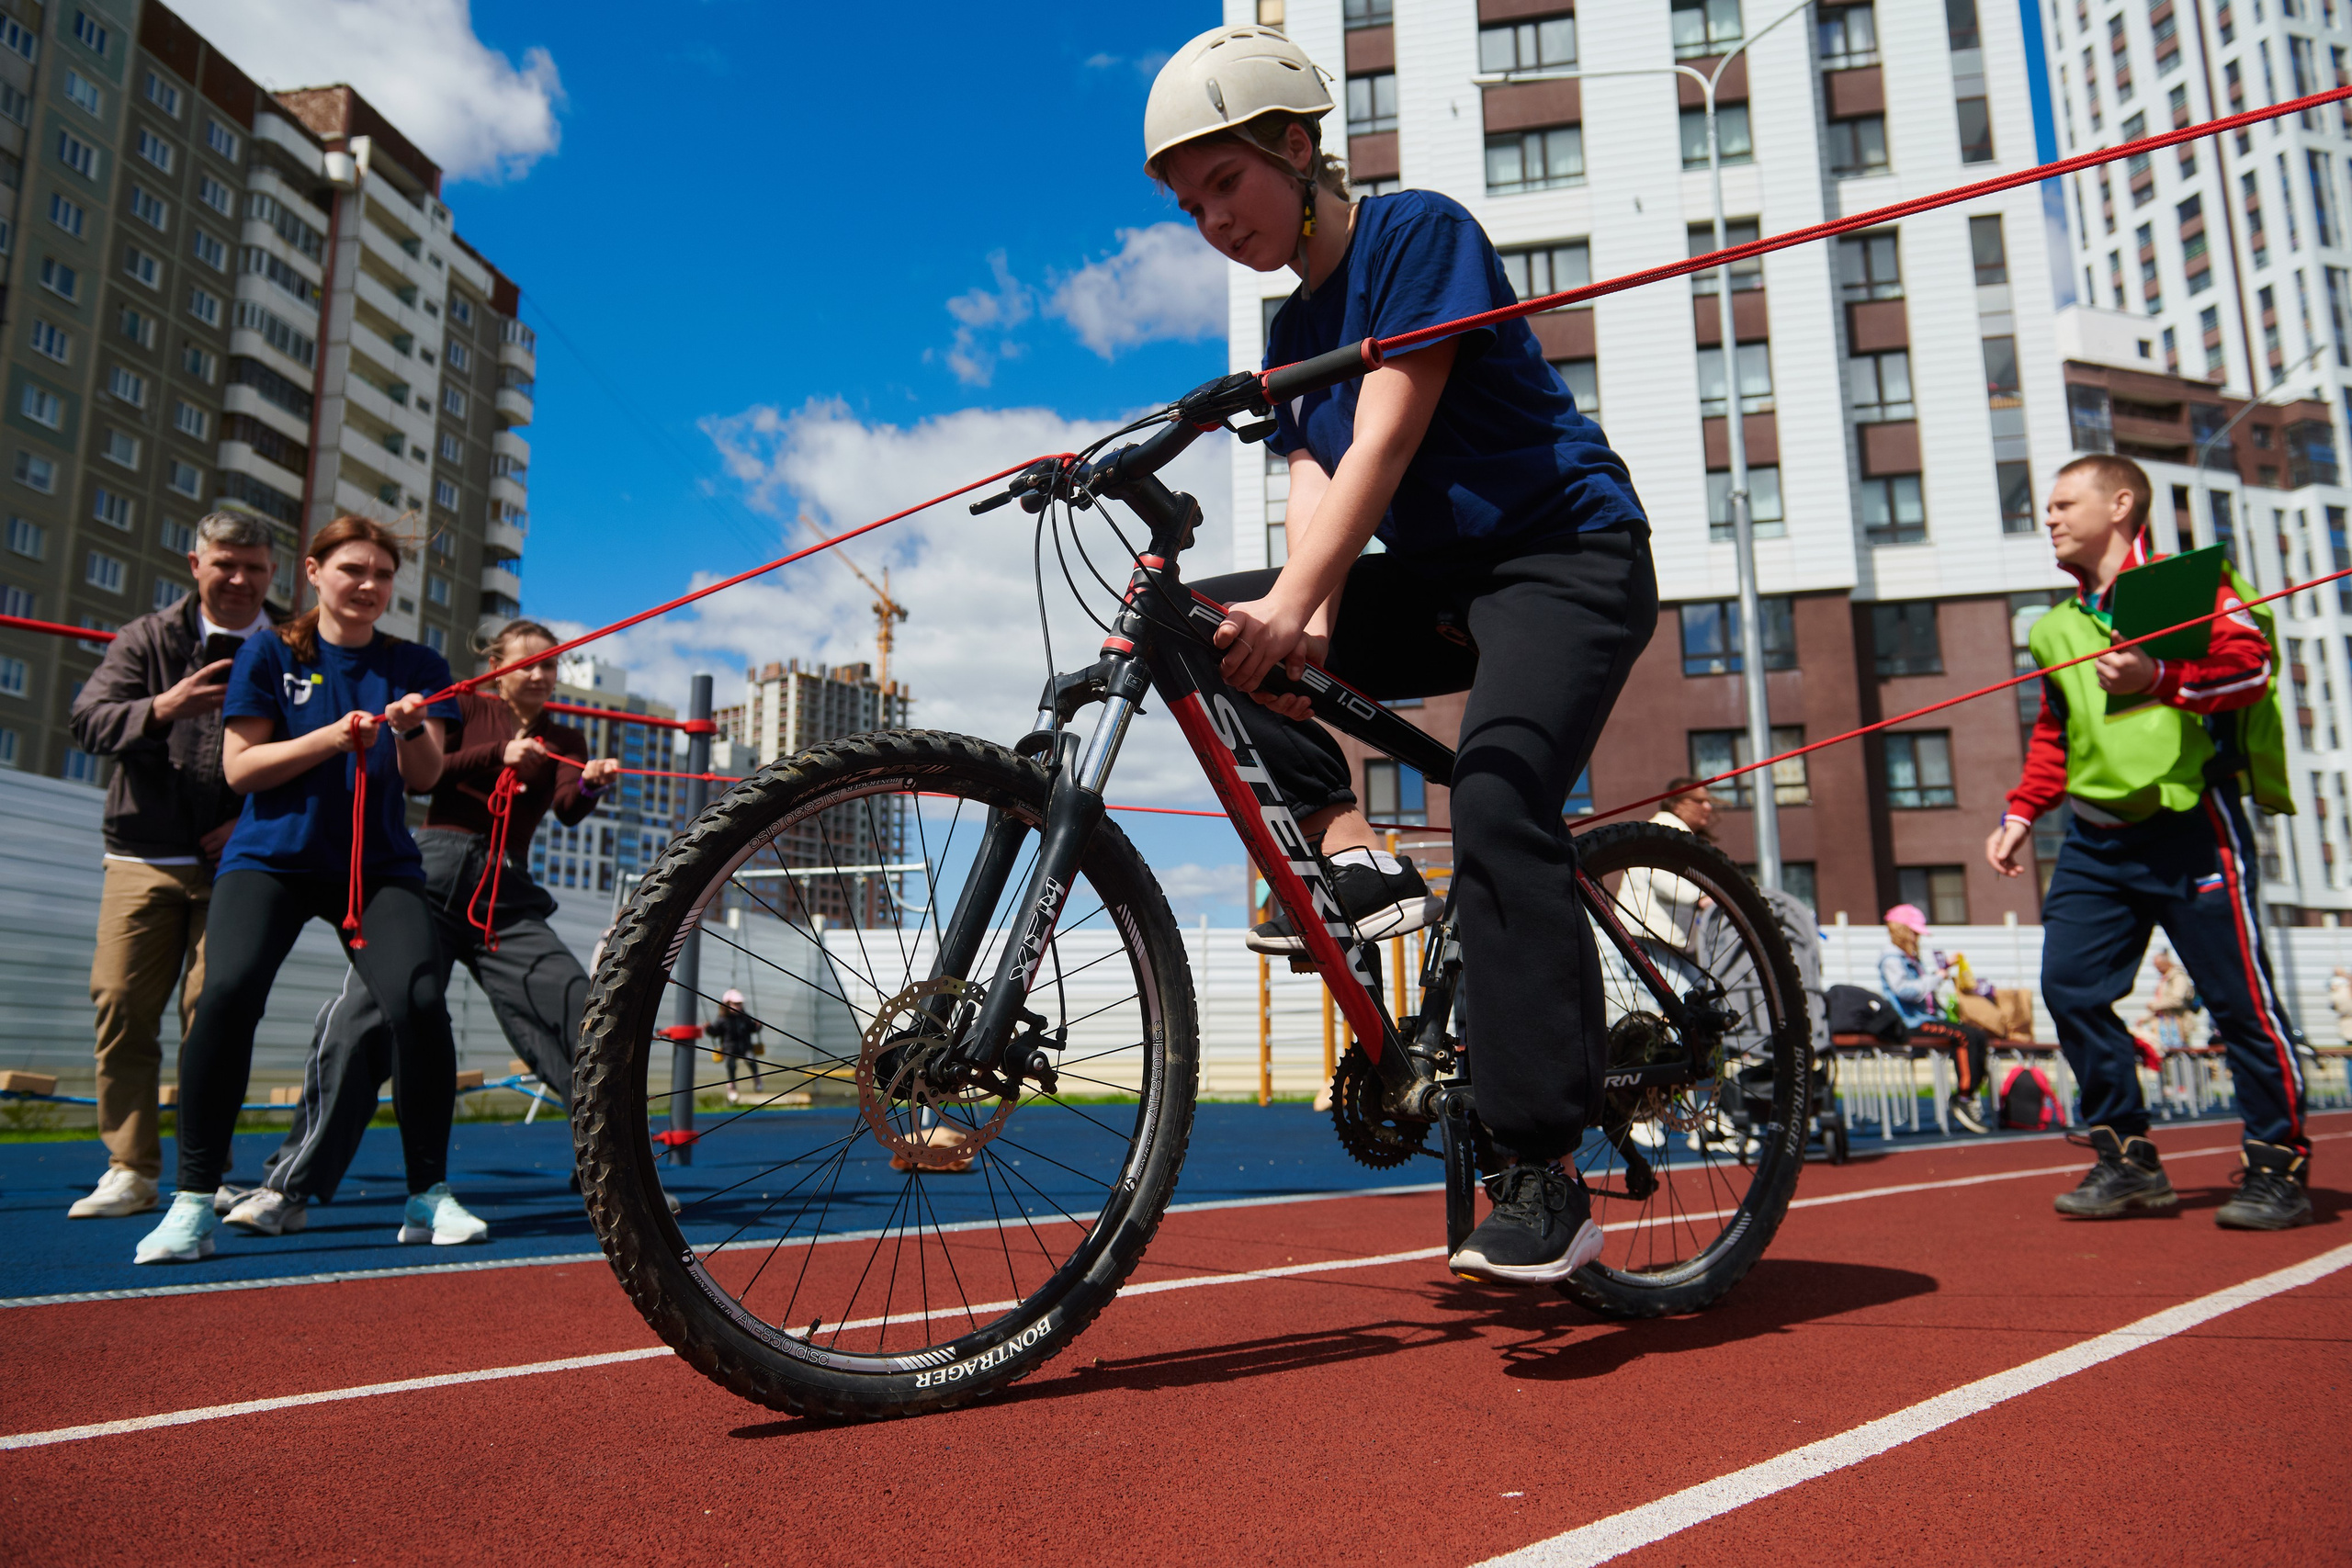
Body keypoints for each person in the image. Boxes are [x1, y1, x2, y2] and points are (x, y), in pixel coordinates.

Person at [1147, 26, 1658, 1284]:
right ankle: (1349, 851)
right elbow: (1317, 469)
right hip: (1439, 583)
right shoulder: (1289, 332)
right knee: (1196, 628)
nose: (1213, 218)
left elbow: (1386, 430)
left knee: (1493, 792)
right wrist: (1299, 614)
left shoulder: (1417, 233)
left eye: (1228, 183)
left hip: (1566, 556)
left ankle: (1541, 1169)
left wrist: (1310, 596)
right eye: (1189, 203)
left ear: (1298, 147)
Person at [132, 515, 470, 1264]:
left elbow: (425, 778)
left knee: (417, 1001)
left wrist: (412, 729)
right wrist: (331, 737)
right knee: (227, 994)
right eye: (353, 569)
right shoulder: (269, 650)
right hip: (272, 860)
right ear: (313, 573)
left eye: (383, 574)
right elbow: (241, 769)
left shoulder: (418, 661)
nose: (370, 585)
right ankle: (192, 1202)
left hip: (377, 866)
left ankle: (428, 1196)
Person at [1988, 454, 2311, 1228]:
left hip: (2193, 827)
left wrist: (2158, 678)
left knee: (2240, 1005)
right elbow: (2057, 727)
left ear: (2121, 503)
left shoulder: (2187, 584)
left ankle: (2279, 1165)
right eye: (2049, 507)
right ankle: (2127, 1159)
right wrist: (2024, 811)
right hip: (2096, 845)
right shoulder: (2054, 627)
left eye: (2066, 503)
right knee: (2068, 989)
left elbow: (2252, 672)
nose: (2051, 518)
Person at [223, 619, 619, 1233]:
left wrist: (590, 783)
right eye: (528, 663)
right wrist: (500, 753)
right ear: (497, 663)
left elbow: (568, 807)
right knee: (365, 1017)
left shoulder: (565, 732)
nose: (540, 675)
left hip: (504, 896)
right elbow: (425, 771)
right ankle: (288, 1187)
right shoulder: (463, 701)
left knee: (581, 1007)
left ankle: (616, 1178)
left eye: (551, 665)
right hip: (430, 872)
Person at [64, 513, 282, 1219]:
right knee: (121, 1003)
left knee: (212, 1008)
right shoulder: (148, 638)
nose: (241, 579)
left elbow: (319, 752)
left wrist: (247, 821)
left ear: (274, 572)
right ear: (196, 563)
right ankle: (130, 1166)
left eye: (254, 566)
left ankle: (205, 1167)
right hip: (143, 855)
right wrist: (163, 706)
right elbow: (87, 721)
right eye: (226, 563)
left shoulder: (291, 645)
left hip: (241, 862)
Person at [1877, 904, 1993, 1135]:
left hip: (1924, 1019)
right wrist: (1937, 978)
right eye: (1915, 932)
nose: (1918, 937)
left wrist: (1944, 968)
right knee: (1964, 1036)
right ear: (1903, 931)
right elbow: (1905, 991)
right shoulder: (1891, 959)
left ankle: (1971, 1092)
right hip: (1911, 1024)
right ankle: (1964, 1096)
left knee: (1978, 1034)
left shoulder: (1908, 957)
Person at [710, 989, 763, 1105]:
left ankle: (757, 1078)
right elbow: (715, 1032)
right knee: (731, 1065)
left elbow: (752, 1028)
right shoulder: (722, 1020)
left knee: (751, 1060)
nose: (739, 1007)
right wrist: (709, 1028)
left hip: (745, 1046)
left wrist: (758, 1026)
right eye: (735, 1004)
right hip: (730, 1048)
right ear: (727, 1005)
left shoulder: (745, 1017)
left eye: (740, 1004)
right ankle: (732, 1086)